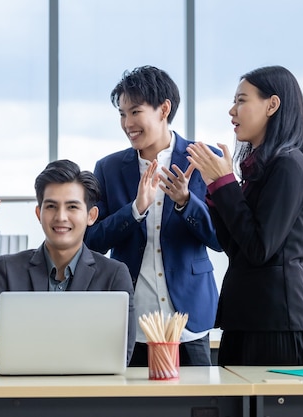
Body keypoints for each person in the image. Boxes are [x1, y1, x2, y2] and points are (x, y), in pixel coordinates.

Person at [84, 65, 222, 367]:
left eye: (135, 112)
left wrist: (186, 202)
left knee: (201, 406)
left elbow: (222, 239)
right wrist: (135, 210)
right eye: (122, 114)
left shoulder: (205, 159)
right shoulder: (108, 168)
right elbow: (91, 241)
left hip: (190, 319)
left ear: (164, 109)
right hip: (131, 323)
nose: (127, 123)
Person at [186, 65, 303, 366]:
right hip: (245, 318)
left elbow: (260, 248)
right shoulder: (261, 168)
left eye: (242, 100)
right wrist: (214, 189)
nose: (232, 111)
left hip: (275, 322)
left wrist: (224, 184)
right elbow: (235, 247)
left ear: (272, 104)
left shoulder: (289, 165)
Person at [0, 159, 136, 366]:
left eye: (72, 207)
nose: (61, 217)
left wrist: (34, 353)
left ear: (91, 215)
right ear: (39, 213)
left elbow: (119, 353)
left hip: (88, 394)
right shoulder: (7, 269)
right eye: (51, 206)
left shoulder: (114, 275)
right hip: (22, 394)